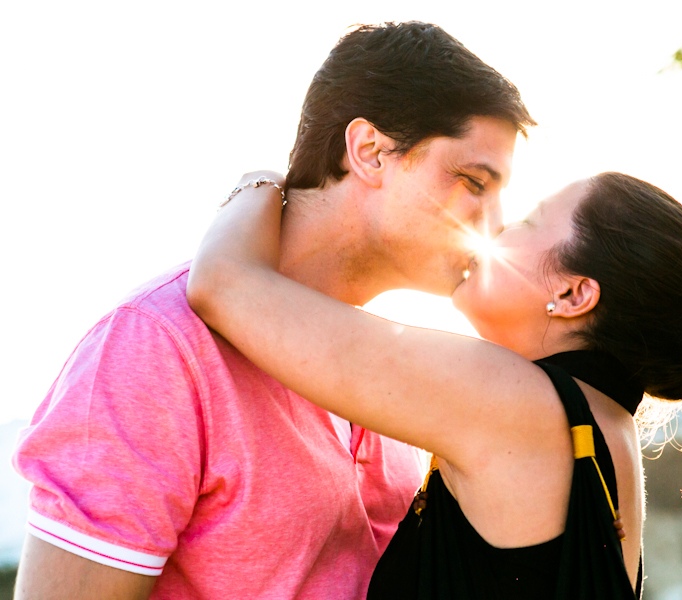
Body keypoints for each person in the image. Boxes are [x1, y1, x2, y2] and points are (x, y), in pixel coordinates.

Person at [12, 22, 535, 599]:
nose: (496, 224)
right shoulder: (157, 347)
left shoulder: (388, 371)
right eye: (473, 182)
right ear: (370, 151)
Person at [187, 171, 682, 599]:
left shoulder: (509, 403)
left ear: (573, 293)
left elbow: (223, 286)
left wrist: (264, 184)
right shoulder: (607, 433)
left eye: (525, 222)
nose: (492, 231)